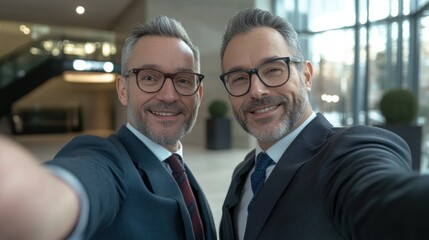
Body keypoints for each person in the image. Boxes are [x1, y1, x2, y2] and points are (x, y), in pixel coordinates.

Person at [218, 8, 429, 240]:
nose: (257, 90)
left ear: (306, 76)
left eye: (273, 70)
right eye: (239, 78)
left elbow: (387, 200)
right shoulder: (245, 172)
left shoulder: (347, 153)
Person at [0, 16, 216, 240]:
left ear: (198, 94)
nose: (169, 95)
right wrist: (36, 201)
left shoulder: (179, 169)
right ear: (123, 90)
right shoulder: (108, 161)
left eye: (183, 80)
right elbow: (72, 187)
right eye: (149, 77)